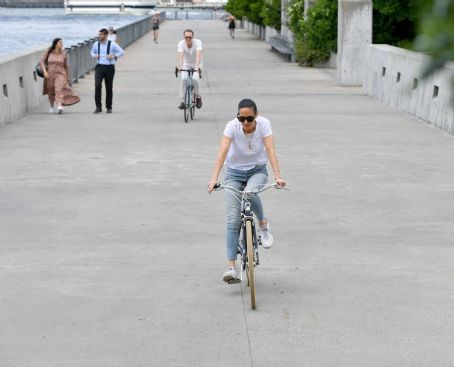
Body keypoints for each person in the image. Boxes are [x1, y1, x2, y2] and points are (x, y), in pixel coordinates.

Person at [207, 98, 286, 283]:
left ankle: (263, 225)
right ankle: (231, 268)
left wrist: (278, 175)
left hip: (257, 171)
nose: (245, 123)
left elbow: (270, 149)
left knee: (250, 193)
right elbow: (223, 152)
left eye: (249, 119)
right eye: (241, 119)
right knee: (233, 219)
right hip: (233, 174)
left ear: (256, 116)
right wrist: (214, 179)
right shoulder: (231, 127)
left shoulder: (264, 124)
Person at [40, 38, 80, 114]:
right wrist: (45, 72)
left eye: (62, 43)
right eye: (60, 43)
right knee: (51, 91)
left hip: (61, 74)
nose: (62, 44)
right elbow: (42, 62)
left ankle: (59, 105)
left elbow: (66, 66)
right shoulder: (49, 52)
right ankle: (51, 106)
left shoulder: (64, 53)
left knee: (58, 90)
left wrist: (67, 77)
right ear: (55, 44)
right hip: (49, 75)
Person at [91, 28, 125, 114]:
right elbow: (92, 52)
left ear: (106, 35)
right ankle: (98, 107)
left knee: (109, 88)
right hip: (99, 67)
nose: (99, 36)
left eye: (101, 35)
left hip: (109, 68)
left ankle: (109, 107)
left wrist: (113, 56)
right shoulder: (96, 44)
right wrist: (95, 56)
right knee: (97, 86)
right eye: (99, 34)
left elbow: (122, 52)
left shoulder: (112, 44)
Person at [177, 29, 203, 110]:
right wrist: (180, 66)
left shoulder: (198, 42)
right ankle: (182, 101)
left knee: (195, 79)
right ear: (184, 37)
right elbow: (181, 55)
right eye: (186, 37)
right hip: (186, 63)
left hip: (197, 63)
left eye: (190, 37)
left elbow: (198, 54)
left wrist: (196, 66)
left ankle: (198, 97)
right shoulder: (181, 43)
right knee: (184, 79)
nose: (188, 38)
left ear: (192, 37)